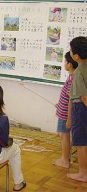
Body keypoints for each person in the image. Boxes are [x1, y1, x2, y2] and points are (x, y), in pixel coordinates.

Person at [67, 36, 87, 182]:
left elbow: (84, 98)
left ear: (76, 56)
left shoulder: (79, 72)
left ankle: (83, 173)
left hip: (81, 108)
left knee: (80, 142)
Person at [53, 52, 78, 168]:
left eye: (65, 62)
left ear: (70, 64)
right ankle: (65, 158)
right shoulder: (72, 76)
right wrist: (60, 104)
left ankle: (65, 160)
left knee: (64, 136)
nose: (64, 64)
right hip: (63, 110)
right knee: (64, 135)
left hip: (65, 114)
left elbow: (71, 100)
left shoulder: (73, 78)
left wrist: (68, 118)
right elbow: (67, 97)